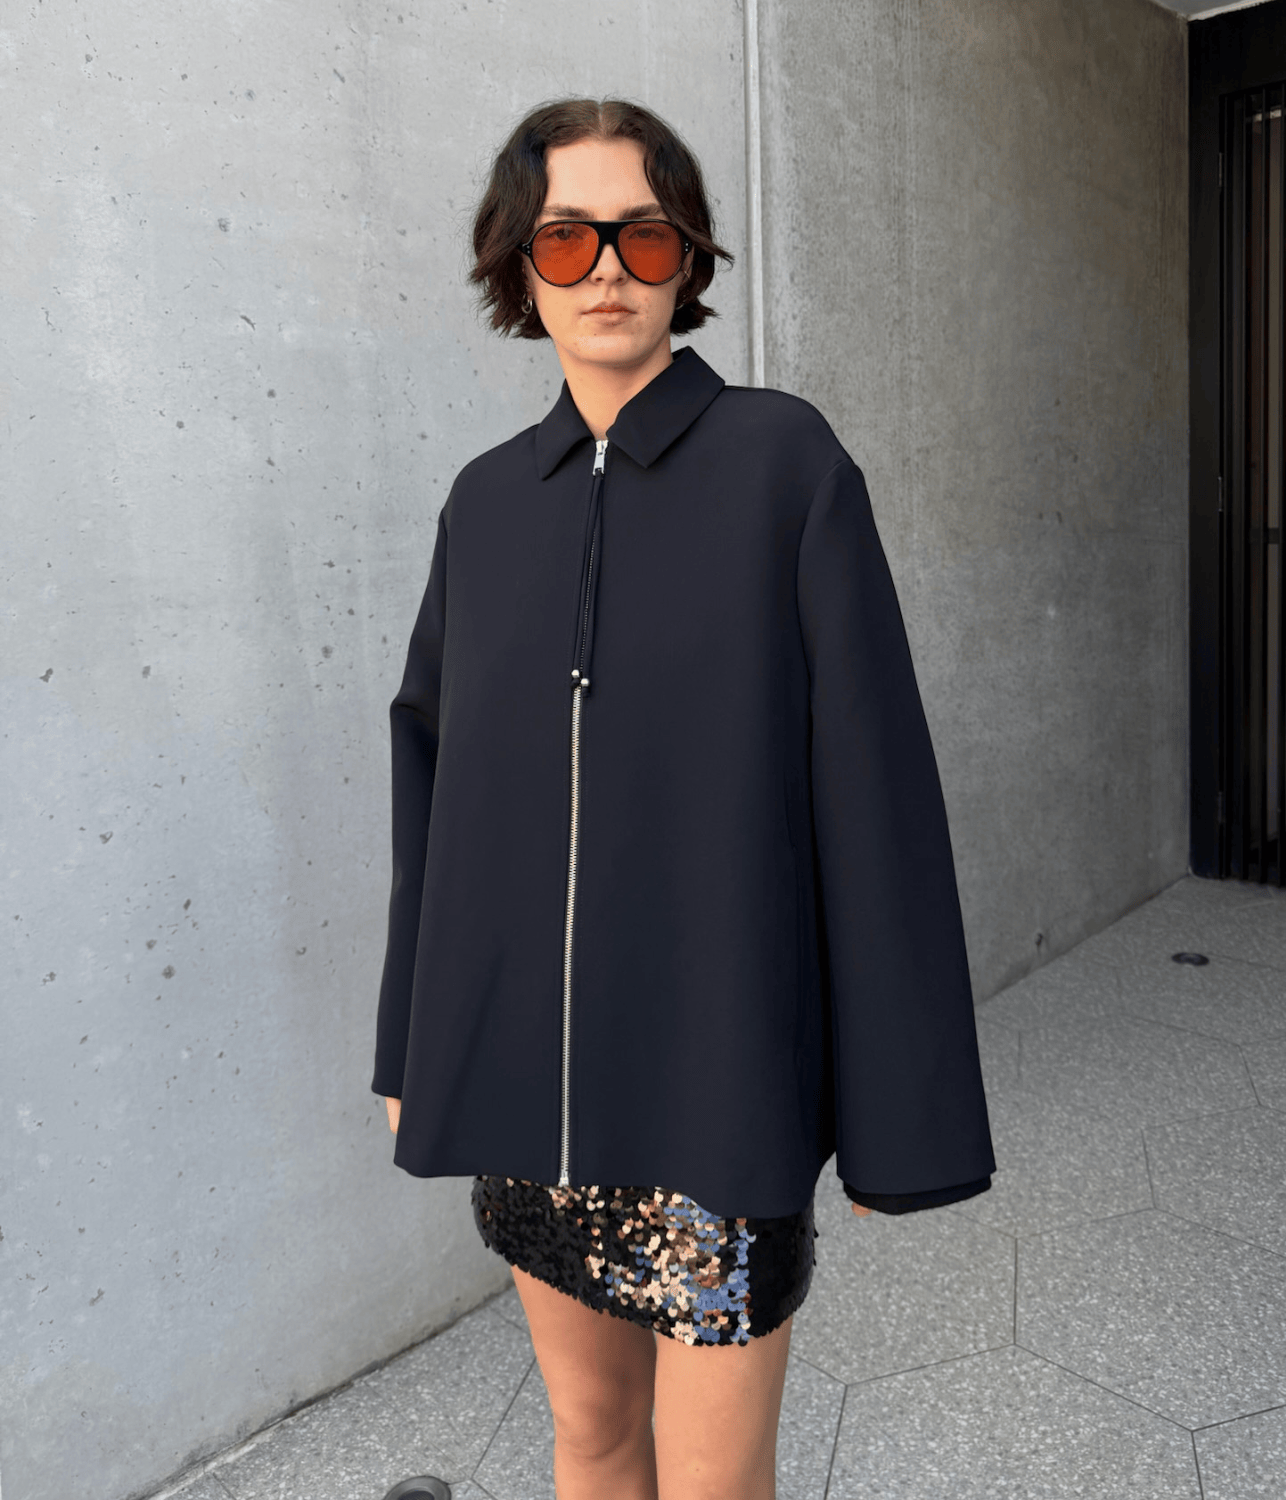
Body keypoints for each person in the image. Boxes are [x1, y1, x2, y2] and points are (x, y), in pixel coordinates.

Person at [373, 97, 996, 1500]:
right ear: (518, 263)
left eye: (643, 237)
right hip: (532, 1100)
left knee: (713, 1480)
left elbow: (875, 791)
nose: (606, 268)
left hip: (721, 1093)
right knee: (590, 1437)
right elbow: (432, 783)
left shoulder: (784, 465)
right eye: (566, 237)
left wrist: (899, 1110)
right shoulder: (485, 503)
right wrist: (412, 1040)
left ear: (688, 259)